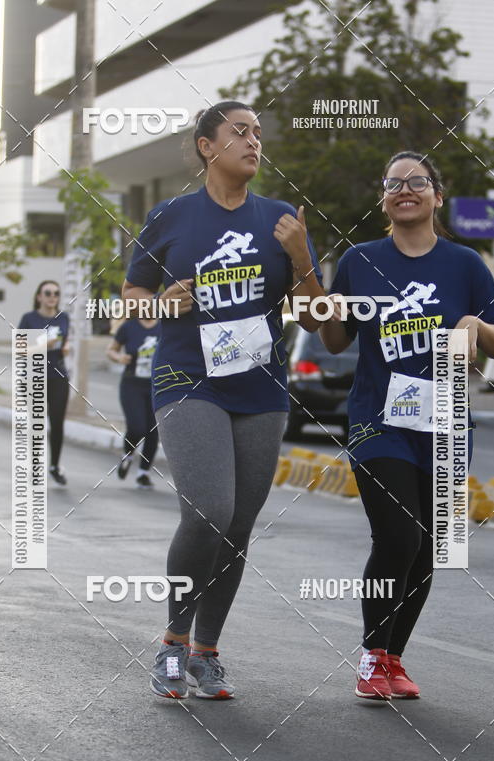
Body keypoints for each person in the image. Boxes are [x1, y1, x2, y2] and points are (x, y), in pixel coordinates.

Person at [122, 100, 324, 700]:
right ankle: (172, 644)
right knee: (208, 508)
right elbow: (132, 293)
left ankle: (208, 651)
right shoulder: (172, 216)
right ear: (208, 146)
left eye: (260, 133)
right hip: (188, 378)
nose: (254, 142)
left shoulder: (282, 218)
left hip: (261, 387)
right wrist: (160, 305)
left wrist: (301, 256)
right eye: (240, 132)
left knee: (237, 526)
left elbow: (316, 313)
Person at [321, 151, 494, 701]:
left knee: (430, 546)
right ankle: (371, 656)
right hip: (378, 420)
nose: (405, 190)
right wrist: (330, 309)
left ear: (437, 196)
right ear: (384, 199)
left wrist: (477, 323)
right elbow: (336, 341)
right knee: (398, 535)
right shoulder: (359, 260)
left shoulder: (466, 264)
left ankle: (393, 659)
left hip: (449, 422)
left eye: (417, 182)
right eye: (394, 184)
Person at [19, 280, 70, 486]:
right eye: (48, 293)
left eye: (56, 293)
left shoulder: (63, 318)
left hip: (58, 377)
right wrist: (43, 345)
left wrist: (66, 348)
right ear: (39, 296)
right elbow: (20, 350)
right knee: (37, 424)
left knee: (57, 423)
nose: (52, 297)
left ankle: (54, 466)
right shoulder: (29, 319)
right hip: (35, 377)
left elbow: (66, 341)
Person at [106, 308, 160, 487]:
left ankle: (143, 473)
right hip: (132, 385)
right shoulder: (129, 327)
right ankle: (128, 455)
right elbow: (111, 350)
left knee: (153, 431)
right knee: (137, 427)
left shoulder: (163, 327)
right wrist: (119, 357)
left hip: (156, 387)